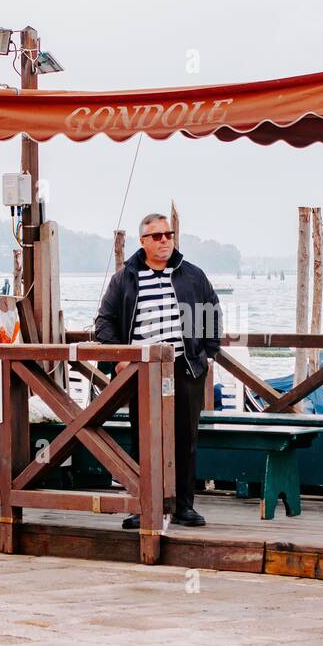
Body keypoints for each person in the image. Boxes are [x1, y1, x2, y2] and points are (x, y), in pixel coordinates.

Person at [95, 212, 222, 528]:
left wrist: (204, 354)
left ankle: (182, 506)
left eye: (168, 234)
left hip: (184, 367)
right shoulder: (125, 278)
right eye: (157, 236)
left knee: (185, 438)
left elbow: (211, 315)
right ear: (143, 241)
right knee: (144, 438)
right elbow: (104, 323)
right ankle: (143, 506)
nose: (164, 240)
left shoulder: (192, 275)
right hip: (143, 370)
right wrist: (120, 359)